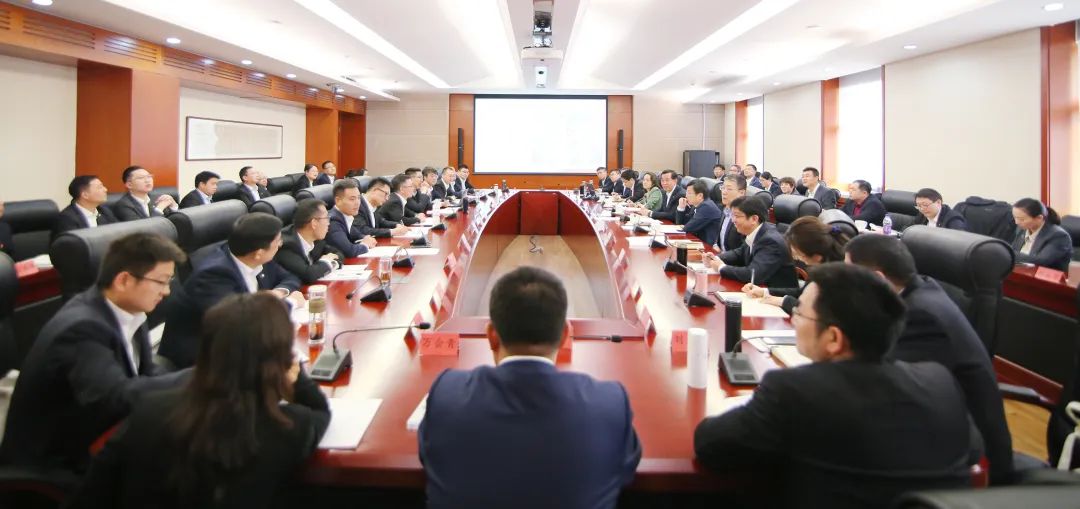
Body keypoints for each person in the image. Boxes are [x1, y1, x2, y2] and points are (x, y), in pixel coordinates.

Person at [694, 263, 979, 509]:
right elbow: (973, 450)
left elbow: (710, 444)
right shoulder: (939, 380)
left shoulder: (794, 390)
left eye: (800, 313)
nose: (794, 319)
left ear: (833, 338)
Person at [72, 293, 330, 509]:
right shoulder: (287, 426)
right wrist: (296, 378)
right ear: (280, 358)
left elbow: (91, 494)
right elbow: (320, 411)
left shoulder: (149, 409)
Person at [419, 266, 641, 508]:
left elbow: (428, 456)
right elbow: (626, 470)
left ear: (491, 335)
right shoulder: (609, 404)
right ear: (565, 335)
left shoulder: (446, 395)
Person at [0, 233, 190, 472]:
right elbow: (114, 396)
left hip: (99, 435)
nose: (167, 291)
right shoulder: (82, 328)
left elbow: (145, 372)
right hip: (55, 464)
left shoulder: (129, 309)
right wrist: (196, 379)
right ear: (124, 280)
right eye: (161, 282)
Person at [845, 234, 1014, 485]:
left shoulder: (921, 316)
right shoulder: (919, 289)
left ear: (878, 279)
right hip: (935, 424)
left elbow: (881, 383)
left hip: (969, 457)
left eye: (849, 275)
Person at [159, 213, 304, 369]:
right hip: (205, 360)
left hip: (241, 344)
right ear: (259, 253)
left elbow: (290, 278)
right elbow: (238, 323)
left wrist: (278, 293)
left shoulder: (256, 257)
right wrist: (290, 302)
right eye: (278, 241)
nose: (281, 244)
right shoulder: (214, 274)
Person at [743, 216, 851, 314]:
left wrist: (783, 301)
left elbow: (816, 310)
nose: (796, 258)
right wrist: (764, 291)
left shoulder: (835, 275)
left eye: (799, 255)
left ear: (817, 255)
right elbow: (801, 292)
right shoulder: (822, 263)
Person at [705, 196, 798, 287]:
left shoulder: (770, 241)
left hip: (774, 292)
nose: (733, 220)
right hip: (757, 289)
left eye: (737, 216)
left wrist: (721, 267)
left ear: (754, 219)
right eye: (732, 215)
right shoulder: (756, 231)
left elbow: (753, 274)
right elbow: (739, 253)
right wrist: (716, 258)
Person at [275, 199, 343, 284]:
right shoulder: (286, 245)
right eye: (326, 218)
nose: (328, 223)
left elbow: (338, 254)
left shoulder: (316, 239)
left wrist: (329, 263)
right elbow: (308, 275)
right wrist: (327, 262)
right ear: (314, 223)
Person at [1011, 198, 1073, 272]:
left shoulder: (1059, 236)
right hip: (1021, 273)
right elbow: (1013, 250)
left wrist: (1010, 254)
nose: (1017, 222)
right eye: (1015, 218)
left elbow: (1042, 261)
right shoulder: (1022, 229)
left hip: (1046, 277)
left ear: (1039, 218)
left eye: (1022, 219)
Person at [325, 179, 380, 258]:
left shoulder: (345, 216)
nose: (357, 203)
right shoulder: (333, 221)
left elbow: (356, 234)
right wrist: (365, 245)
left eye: (359, 198)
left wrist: (365, 238)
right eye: (352, 199)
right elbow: (349, 251)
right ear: (338, 200)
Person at [53, 175, 117, 241]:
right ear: (85, 195)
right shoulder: (67, 219)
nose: (105, 189)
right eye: (100, 187)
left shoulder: (104, 211)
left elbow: (118, 233)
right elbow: (71, 244)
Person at [113, 166, 178, 221]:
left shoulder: (156, 198)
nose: (147, 180)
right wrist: (159, 208)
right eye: (141, 178)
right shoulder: (123, 205)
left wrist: (173, 206)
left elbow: (174, 222)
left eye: (149, 176)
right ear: (129, 185)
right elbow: (143, 228)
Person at [675, 180, 724, 247]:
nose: (686, 196)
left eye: (689, 193)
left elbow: (687, 228)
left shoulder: (706, 207)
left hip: (708, 247)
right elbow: (681, 224)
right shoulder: (697, 205)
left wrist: (684, 226)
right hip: (699, 242)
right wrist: (681, 208)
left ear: (700, 195)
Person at [715, 175, 747, 252]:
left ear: (741, 193)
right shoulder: (725, 209)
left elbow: (744, 250)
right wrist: (716, 245)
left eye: (729, 189)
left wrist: (723, 257)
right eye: (723, 188)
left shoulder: (745, 215)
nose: (724, 192)